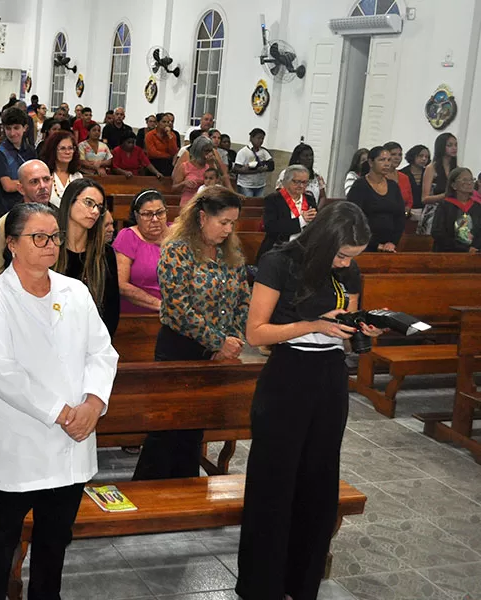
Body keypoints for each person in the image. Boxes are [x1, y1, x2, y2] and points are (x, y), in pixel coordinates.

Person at [0, 202, 119, 600]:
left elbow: (102, 353)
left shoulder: (76, 292)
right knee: (0, 539)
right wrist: (62, 411)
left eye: (54, 237)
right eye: (39, 237)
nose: (50, 245)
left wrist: (93, 403)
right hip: (21, 442)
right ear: (13, 244)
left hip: (71, 441)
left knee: (55, 540)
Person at [236, 201, 383, 600]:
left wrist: (360, 330)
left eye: (351, 258)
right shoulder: (279, 262)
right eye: (340, 255)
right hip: (287, 378)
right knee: (275, 482)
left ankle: (301, 583)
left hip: (329, 380)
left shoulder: (349, 271)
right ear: (323, 241)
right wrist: (313, 325)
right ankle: (261, 585)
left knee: (319, 481)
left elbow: (346, 333)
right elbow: (256, 333)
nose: (344, 264)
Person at [133, 187, 250, 481]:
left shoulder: (231, 252)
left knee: (195, 427)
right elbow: (178, 308)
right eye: (223, 221)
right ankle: (148, 489)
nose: (228, 229)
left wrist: (232, 340)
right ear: (201, 217)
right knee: (167, 425)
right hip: (179, 348)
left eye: (233, 223)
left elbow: (243, 299)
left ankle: (184, 486)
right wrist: (217, 341)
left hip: (218, 351)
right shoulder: (177, 251)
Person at [53, 179, 120, 336]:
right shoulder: (50, 248)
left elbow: (111, 309)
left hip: (93, 342)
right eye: (89, 203)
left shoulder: (105, 254)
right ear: (70, 202)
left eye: (99, 207)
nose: (95, 211)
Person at [0, 160, 53, 275]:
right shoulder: (3, 225)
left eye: (46, 179)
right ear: (21, 188)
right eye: (34, 182)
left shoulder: (62, 216)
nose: (42, 186)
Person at [112, 190, 169, 314]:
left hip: (178, 311)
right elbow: (121, 284)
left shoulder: (177, 235)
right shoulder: (127, 237)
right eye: (147, 214)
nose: (155, 219)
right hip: (140, 314)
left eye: (160, 213)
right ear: (136, 216)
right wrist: (161, 305)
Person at [346, 146, 405, 252]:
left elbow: (400, 216)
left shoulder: (393, 186)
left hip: (389, 245)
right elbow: (353, 218)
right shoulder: (360, 186)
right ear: (371, 162)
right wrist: (374, 245)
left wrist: (392, 242)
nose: (387, 164)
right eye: (382, 160)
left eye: (389, 160)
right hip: (363, 245)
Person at [258, 165, 318, 261]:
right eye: (297, 182)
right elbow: (271, 227)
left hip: (304, 249)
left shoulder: (310, 199)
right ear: (286, 181)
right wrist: (301, 220)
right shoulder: (273, 199)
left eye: (305, 182)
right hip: (279, 249)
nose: (302, 186)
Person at [0, 107, 37, 213]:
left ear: (25, 128)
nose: (12, 133)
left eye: (16, 128)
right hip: (6, 207)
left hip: (28, 204)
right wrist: (30, 182)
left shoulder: (31, 151)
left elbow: (36, 179)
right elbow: (8, 186)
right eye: (8, 128)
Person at [431, 167, 480, 253]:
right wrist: (463, 249)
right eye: (464, 180)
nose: (469, 183)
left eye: (471, 180)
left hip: (474, 253)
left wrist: (474, 247)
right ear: (453, 185)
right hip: (448, 253)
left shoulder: (477, 207)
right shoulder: (444, 206)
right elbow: (437, 232)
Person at [420, 132, 459, 234]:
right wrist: (445, 195)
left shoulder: (457, 169)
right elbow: (424, 198)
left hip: (452, 212)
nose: (454, 148)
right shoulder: (432, 168)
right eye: (449, 145)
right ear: (441, 147)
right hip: (433, 214)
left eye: (455, 145)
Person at [275, 143, 327, 207]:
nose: (309, 158)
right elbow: (280, 194)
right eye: (306, 156)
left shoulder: (317, 175)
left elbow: (323, 197)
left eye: (311, 155)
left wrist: (317, 211)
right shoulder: (286, 174)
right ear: (298, 158)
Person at [41, 130, 83, 208]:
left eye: (70, 148)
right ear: (53, 150)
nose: (67, 152)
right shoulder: (44, 176)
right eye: (63, 148)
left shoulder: (78, 177)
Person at [172, 135, 218, 205]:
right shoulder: (185, 166)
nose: (209, 154)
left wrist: (212, 164)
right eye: (206, 151)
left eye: (210, 150)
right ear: (198, 151)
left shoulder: (210, 165)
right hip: (188, 202)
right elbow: (174, 189)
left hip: (206, 203)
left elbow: (217, 185)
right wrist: (184, 183)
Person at [233, 128, 274, 197]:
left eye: (262, 139)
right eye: (258, 138)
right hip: (246, 185)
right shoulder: (243, 152)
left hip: (260, 185)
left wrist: (265, 168)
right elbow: (236, 169)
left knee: (258, 204)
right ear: (251, 138)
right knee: (248, 205)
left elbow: (271, 166)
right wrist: (255, 171)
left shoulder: (264, 152)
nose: (261, 141)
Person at [144, 112, 179, 177]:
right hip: (153, 163)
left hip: (167, 164)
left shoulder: (172, 135)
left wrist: (170, 136)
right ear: (157, 123)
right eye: (164, 122)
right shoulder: (150, 135)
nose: (166, 124)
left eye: (168, 122)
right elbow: (152, 153)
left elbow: (173, 151)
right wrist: (167, 155)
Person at [401, 144, 430, 221]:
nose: (424, 159)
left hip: (425, 213)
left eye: (426, 157)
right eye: (420, 156)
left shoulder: (429, 174)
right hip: (406, 212)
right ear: (413, 156)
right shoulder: (402, 173)